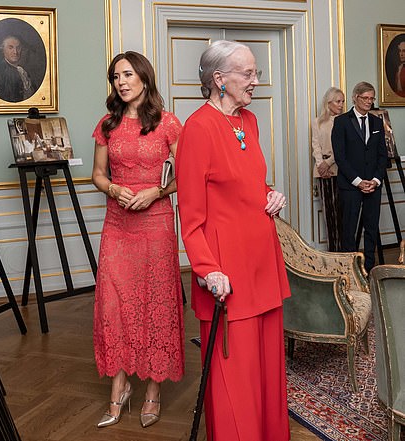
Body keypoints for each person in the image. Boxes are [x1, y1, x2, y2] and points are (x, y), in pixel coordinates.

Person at [175, 40, 291, 440]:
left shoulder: (249, 122)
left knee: (267, 376)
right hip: (228, 277)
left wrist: (270, 193)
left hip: (263, 266)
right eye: (248, 73)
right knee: (234, 385)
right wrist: (208, 271)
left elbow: (245, 184)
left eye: (256, 72)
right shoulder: (198, 128)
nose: (256, 81)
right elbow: (190, 216)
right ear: (219, 79)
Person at [91, 51, 183, 429]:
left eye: (127, 74)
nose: (121, 82)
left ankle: (153, 391)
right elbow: (97, 174)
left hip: (156, 226)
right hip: (117, 225)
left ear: (144, 76)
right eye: (115, 77)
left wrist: (156, 193)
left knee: (155, 305)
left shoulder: (168, 124)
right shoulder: (108, 125)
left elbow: (186, 177)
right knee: (114, 304)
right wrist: (114, 188)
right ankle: (120, 385)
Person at [332, 81, 388, 273]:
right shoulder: (341, 122)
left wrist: (375, 180)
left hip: (373, 185)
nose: (369, 102)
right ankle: (349, 271)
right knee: (349, 231)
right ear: (355, 97)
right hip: (350, 186)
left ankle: (371, 270)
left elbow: (383, 156)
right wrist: (357, 181)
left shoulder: (377, 122)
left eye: (372, 98)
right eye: (365, 98)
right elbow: (340, 156)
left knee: (371, 229)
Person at [312, 87, 345, 251]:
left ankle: (342, 251)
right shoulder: (317, 122)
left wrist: (329, 163)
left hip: (339, 170)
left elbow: (342, 148)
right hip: (322, 172)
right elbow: (315, 146)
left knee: (340, 213)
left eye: (343, 101)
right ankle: (333, 252)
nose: (341, 105)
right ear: (329, 102)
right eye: (338, 101)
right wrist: (321, 165)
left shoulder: (345, 121)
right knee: (328, 214)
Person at [0, 35, 35, 102]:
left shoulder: (24, 72)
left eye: (18, 48)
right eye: (10, 48)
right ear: (3, 49)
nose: (15, 52)